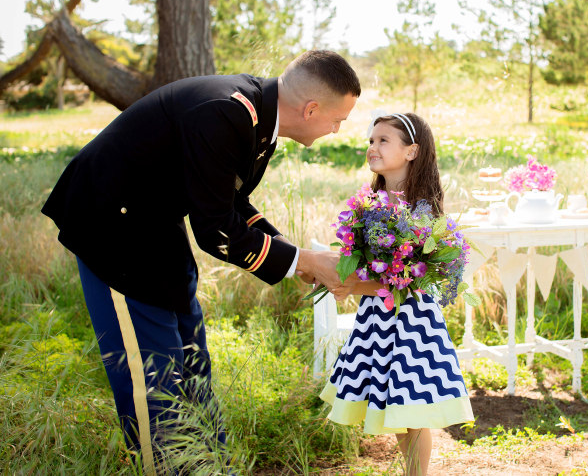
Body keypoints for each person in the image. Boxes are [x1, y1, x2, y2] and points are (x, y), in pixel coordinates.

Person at [41, 50, 361, 474]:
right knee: (154, 377)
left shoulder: (257, 117)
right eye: (338, 119)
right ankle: (173, 466)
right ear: (311, 109)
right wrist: (301, 259)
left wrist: (296, 256)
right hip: (112, 230)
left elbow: (229, 202)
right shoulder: (227, 111)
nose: (337, 129)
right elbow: (214, 230)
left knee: (192, 359)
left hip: (154, 224)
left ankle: (211, 466)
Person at [321, 113, 474, 476]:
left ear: (411, 151)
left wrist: (351, 285)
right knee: (396, 404)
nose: (372, 147)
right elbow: (363, 263)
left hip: (411, 320)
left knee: (413, 406)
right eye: (371, 140)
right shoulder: (371, 203)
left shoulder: (419, 209)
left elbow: (404, 279)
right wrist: (340, 275)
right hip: (378, 317)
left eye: (383, 141)